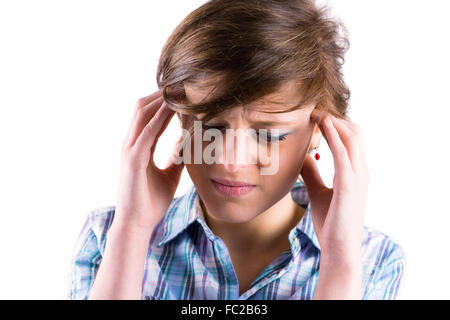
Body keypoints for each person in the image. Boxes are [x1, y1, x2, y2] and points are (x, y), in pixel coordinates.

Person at [67, 0, 406, 300]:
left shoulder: (372, 260)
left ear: (319, 131)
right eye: (210, 128)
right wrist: (133, 228)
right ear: (178, 120)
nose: (229, 161)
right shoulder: (107, 238)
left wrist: (340, 260)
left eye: (269, 135)